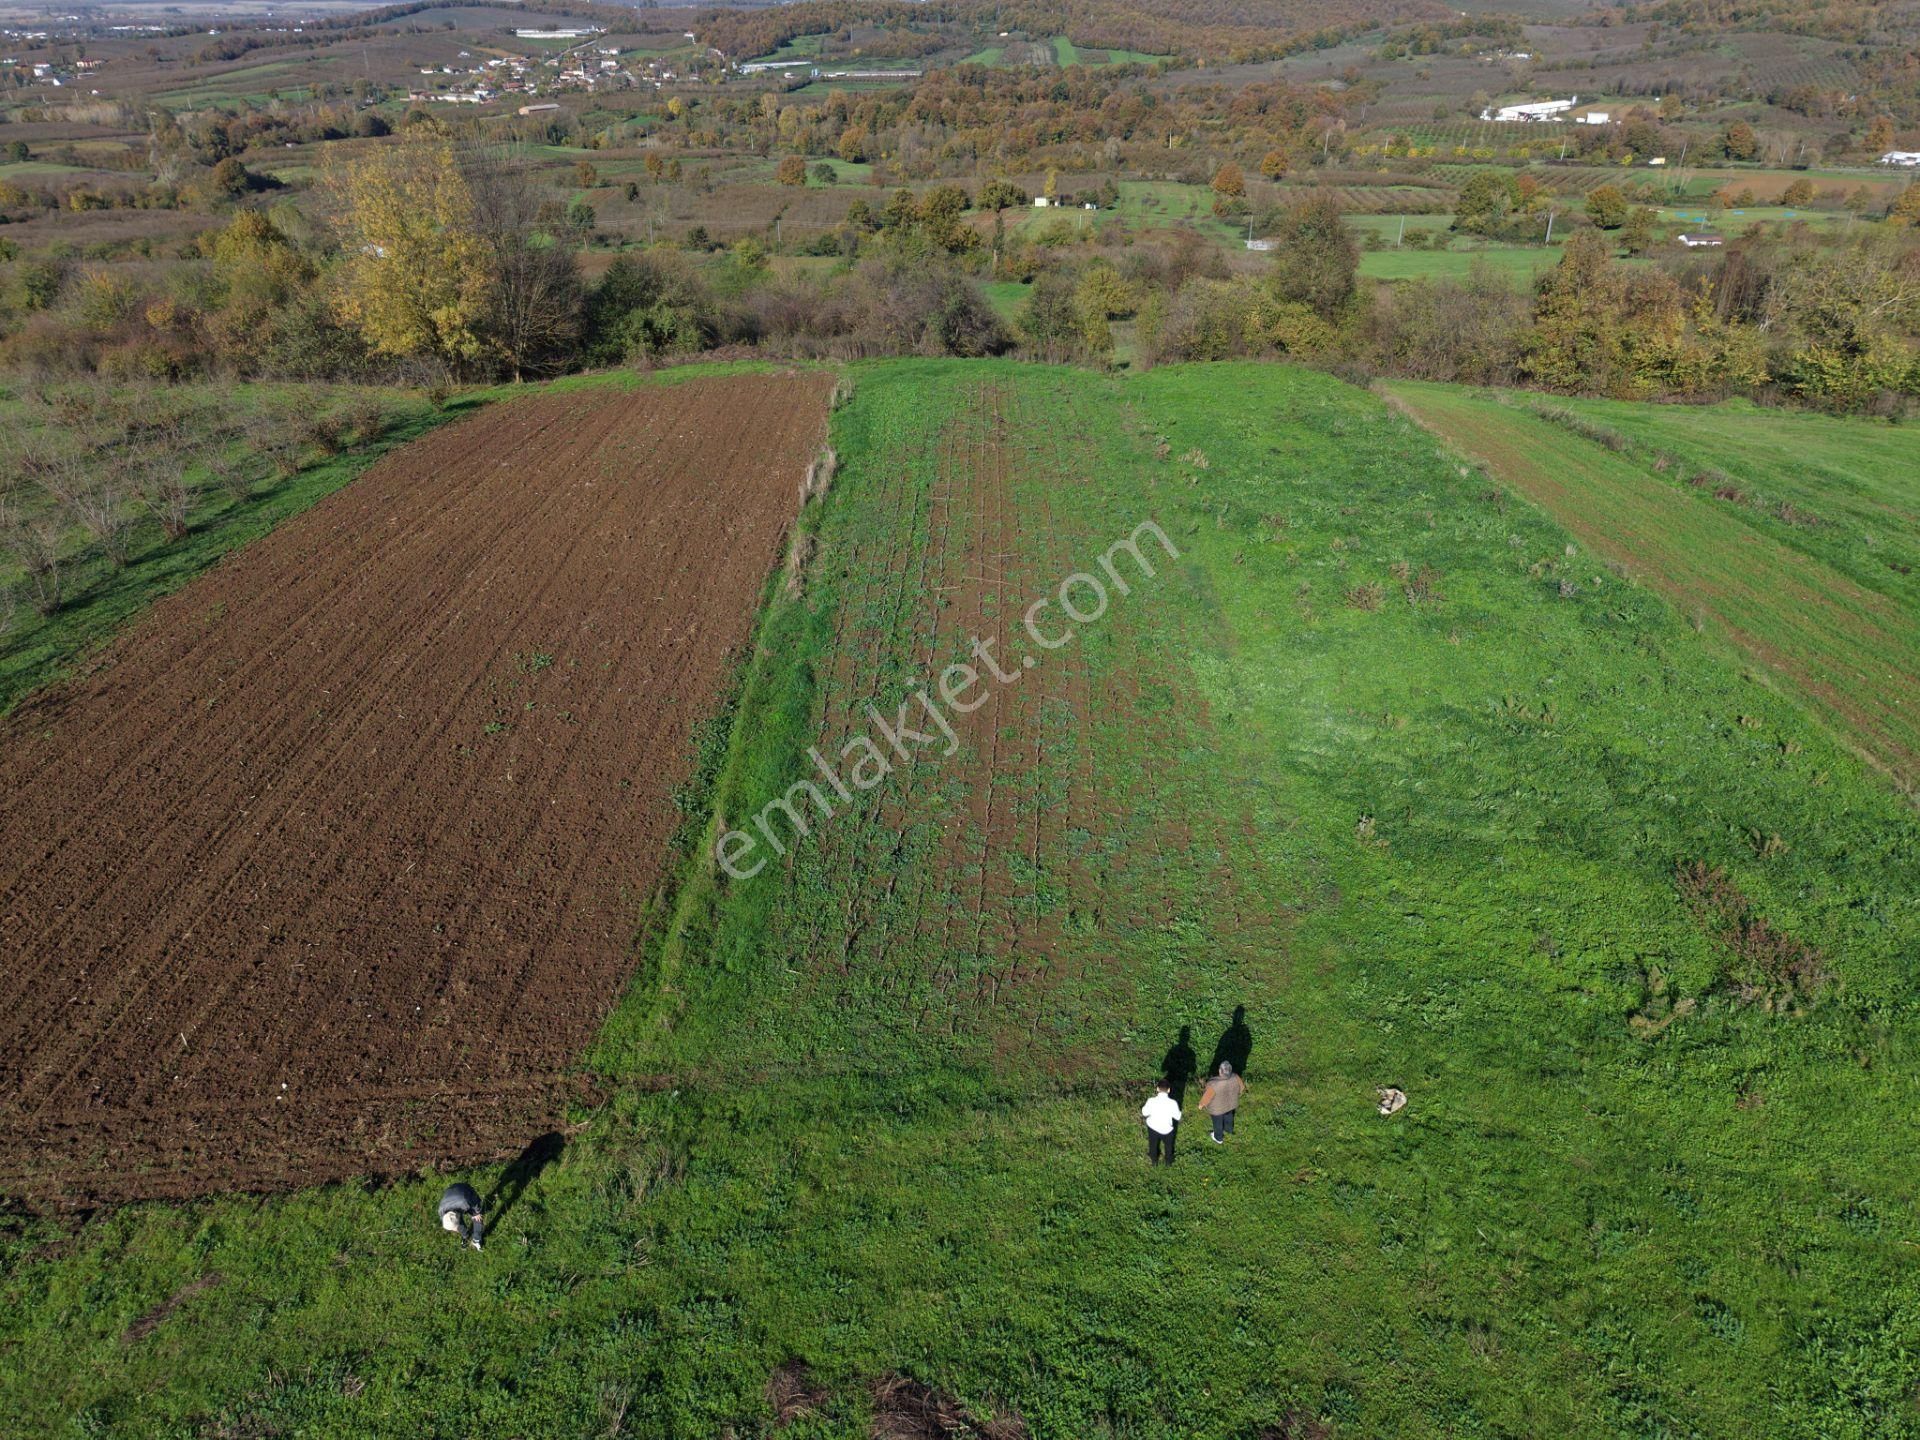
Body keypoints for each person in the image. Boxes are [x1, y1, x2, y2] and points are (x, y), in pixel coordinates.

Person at [1198, 1061, 1245, 1144]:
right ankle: (1229, 1129)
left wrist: (1201, 1105)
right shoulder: (1236, 1077)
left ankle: (1218, 1138)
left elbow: (1207, 1097)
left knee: (1217, 1123)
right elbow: (1242, 1088)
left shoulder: (1213, 1083)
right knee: (1229, 1117)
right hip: (1231, 1104)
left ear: (1220, 1071)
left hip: (1217, 1110)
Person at [1141, 1078, 1181, 1166]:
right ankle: (1168, 1162)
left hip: (1152, 1127)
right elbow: (1178, 1117)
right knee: (1168, 1146)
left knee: (1153, 1144)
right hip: (1167, 1129)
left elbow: (1144, 1113)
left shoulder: (1151, 1101)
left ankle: (1154, 1161)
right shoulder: (1172, 1103)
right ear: (1169, 1090)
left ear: (1157, 1089)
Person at [438, 1181, 485, 1250]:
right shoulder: (441, 1211)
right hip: (451, 1191)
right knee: (457, 1224)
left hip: (465, 1191)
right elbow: (451, 1221)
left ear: (458, 1216)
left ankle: (476, 1240)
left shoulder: (464, 1203)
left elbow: (475, 1201)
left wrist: (476, 1212)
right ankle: (465, 1236)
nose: (455, 1231)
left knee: (477, 1218)